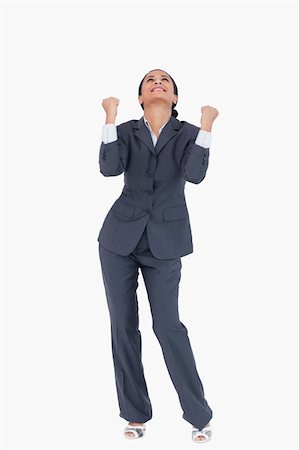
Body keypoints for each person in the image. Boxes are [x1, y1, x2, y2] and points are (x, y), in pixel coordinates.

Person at [97, 68, 219, 443]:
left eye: (165, 81)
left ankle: (198, 415)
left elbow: (194, 176)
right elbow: (109, 168)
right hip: (119, 239)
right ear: (140, 97)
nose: (157, 83)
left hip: (165, 241)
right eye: (150, 80)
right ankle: (135, 414)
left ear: (175, 98)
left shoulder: (187, 134)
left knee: (168, 326)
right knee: (123, 326)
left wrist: (207, 127)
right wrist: (109, 118)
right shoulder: (127, 129)